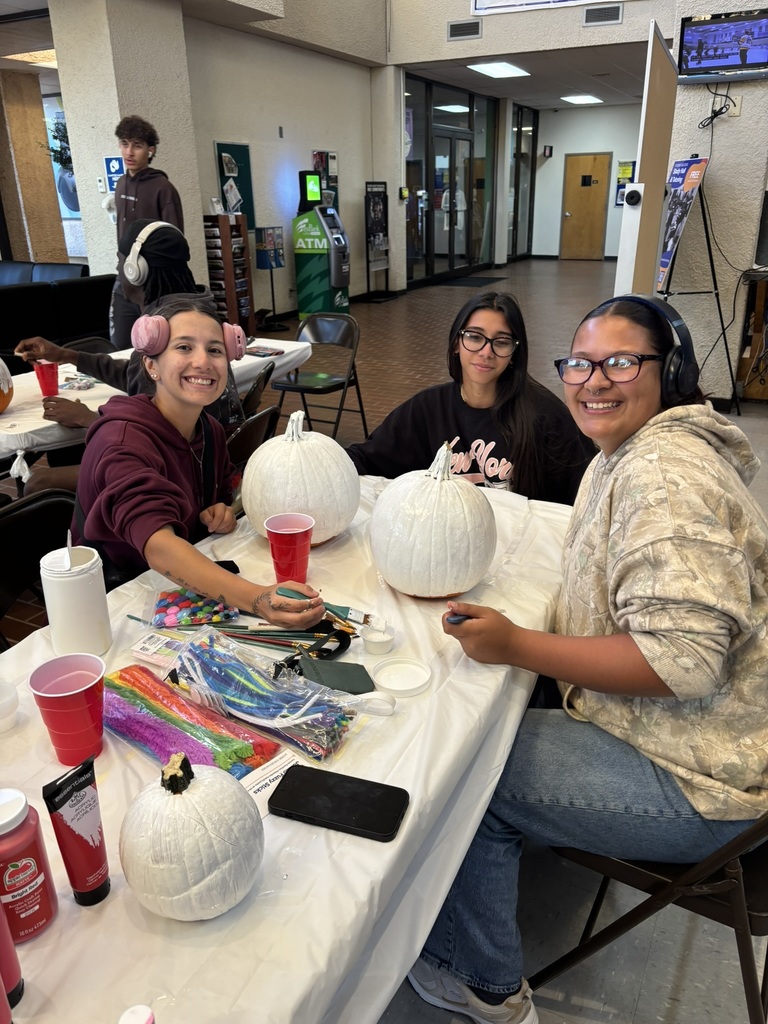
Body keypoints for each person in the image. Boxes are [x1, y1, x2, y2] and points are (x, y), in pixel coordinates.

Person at [407, 295, 768, 1024]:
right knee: (502, 712)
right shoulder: (634, 449)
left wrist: (517, 643)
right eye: (580, 363)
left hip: (705, 778)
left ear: (670, 372)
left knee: (466, 765)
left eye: (621, 362)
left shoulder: (664, 477)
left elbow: (686, 662)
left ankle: (479, 978)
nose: (593, 380)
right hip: (698, 740)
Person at [72, 293, 323, 626]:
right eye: (184, 347)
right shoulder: (121, 442)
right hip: (116, 603)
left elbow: (218, 493)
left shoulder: (210, 430)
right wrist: (256, 599)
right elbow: (157, 544)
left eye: (215, 350)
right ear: (151, 365)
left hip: (176, 590)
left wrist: (221, 510)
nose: (203, 361)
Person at [14, 221, 244, 494]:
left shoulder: (168, 325)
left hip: (182, 469)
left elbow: (160, 434)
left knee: (39, 482)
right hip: (209, 461)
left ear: (136, 270)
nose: (119, 274)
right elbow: (135, 374)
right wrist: (67, 355)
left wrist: (89, 418)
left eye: (119, 263)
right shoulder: (197, 315)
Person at [346, 291, 595, 504]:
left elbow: (586, 490)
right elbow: (365, 459)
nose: (486, 352)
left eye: (501, 341)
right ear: (456, 343)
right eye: (475, 337)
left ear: (514, 353)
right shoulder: (428, 409)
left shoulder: (545, 415)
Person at [111, 115, 184, 349]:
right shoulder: (121, 184)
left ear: (150, 151)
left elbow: (175, 242)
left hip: (153, 287)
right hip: (123, 282)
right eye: (124, 143)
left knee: (154, 350)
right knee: (120, 348)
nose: (129, 152)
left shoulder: (163, 188)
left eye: (137, 145)